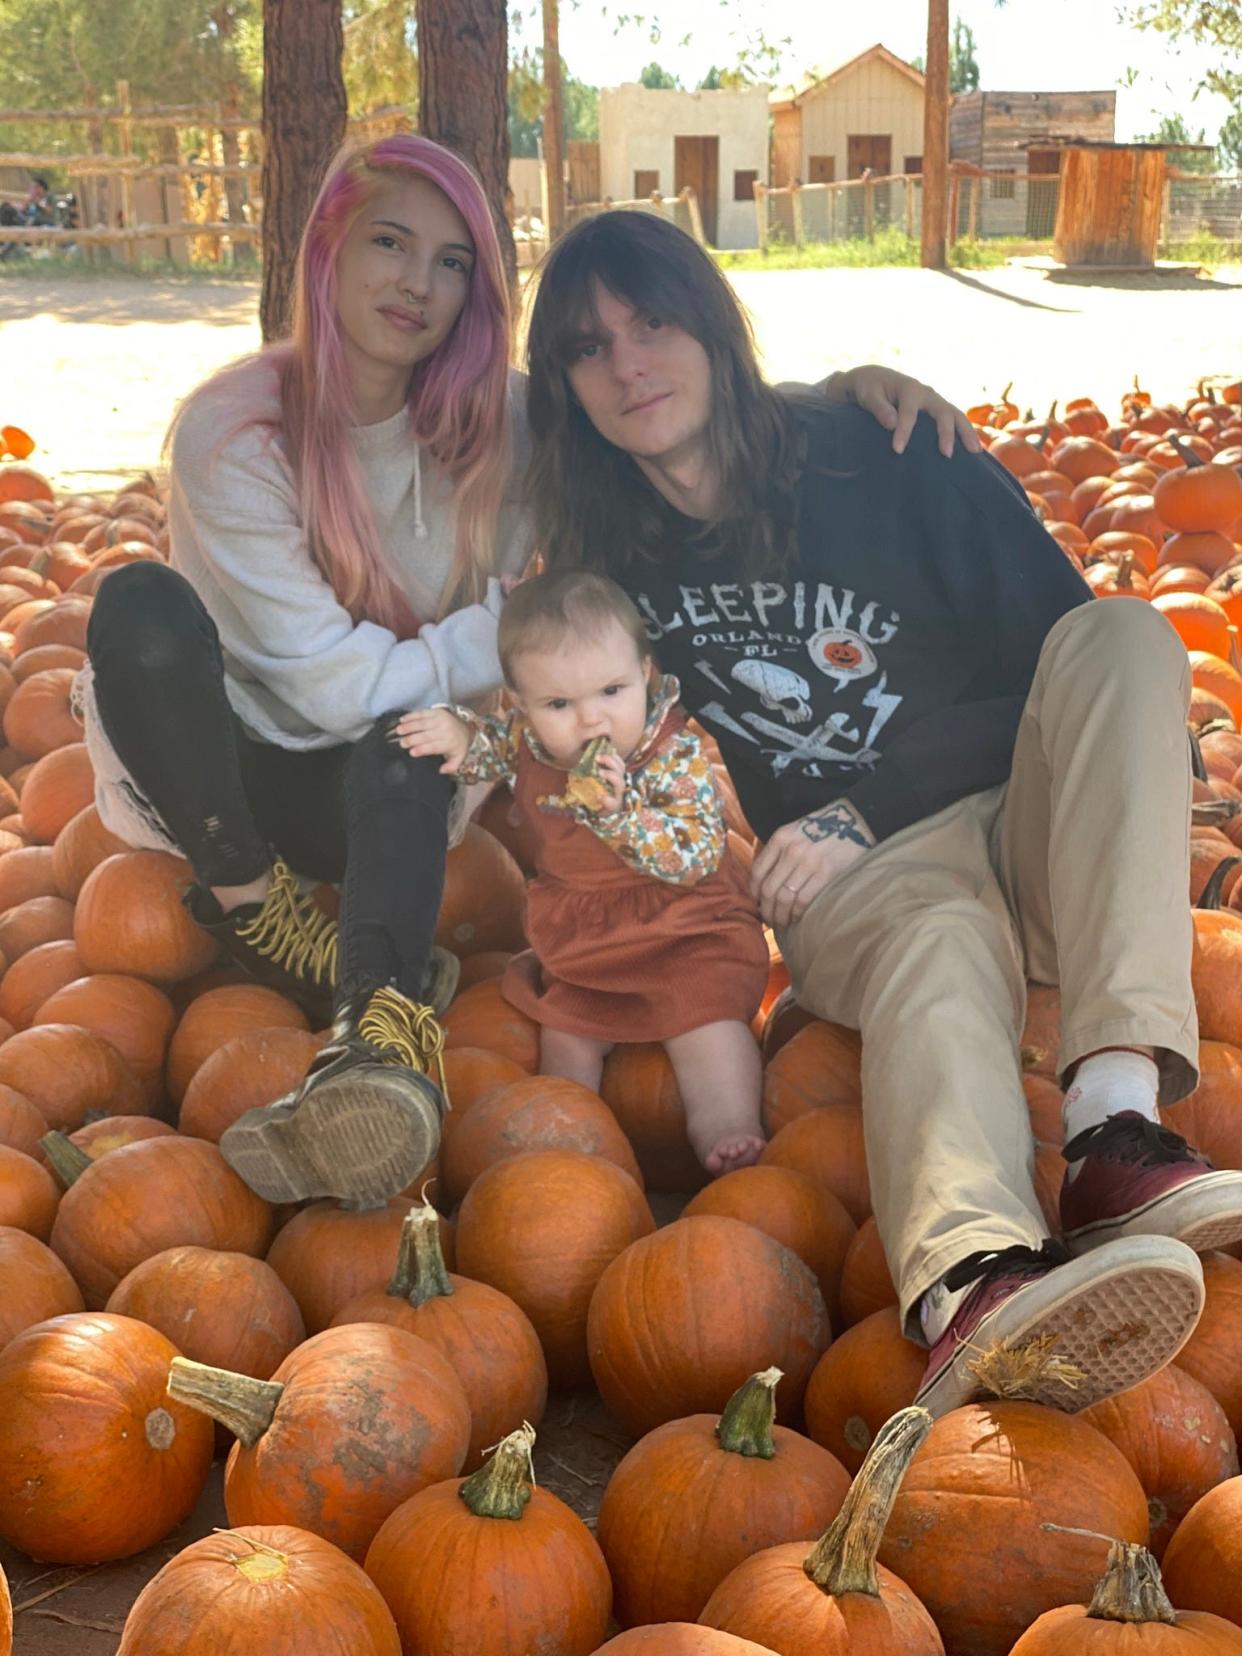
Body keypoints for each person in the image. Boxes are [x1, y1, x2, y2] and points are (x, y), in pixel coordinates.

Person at [77, 128, 979, 1213]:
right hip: (233, 771)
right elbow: (319, 688)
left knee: (413, 729)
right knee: (136, 607)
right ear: (327, 245)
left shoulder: (501, 421)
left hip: (380, 787)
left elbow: (657, 412)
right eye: (391, 243)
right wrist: (493, 636)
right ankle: (254, 908)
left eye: (453, 261)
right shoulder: (237, 428)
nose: (418, 283)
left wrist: (835, 392)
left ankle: (376, 1034)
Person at [522, 205, 1242, 1417]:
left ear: (713, 323)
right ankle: (974, 1281)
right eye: (590, 347)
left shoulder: (883, 449)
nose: (630, 363)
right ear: (565, 386)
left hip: (1018, 829)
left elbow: (1057, 661)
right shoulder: (605, 572)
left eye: (654, 321)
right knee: (938, 935)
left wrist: (868, 802)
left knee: (1124, 634)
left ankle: (1116, 1131)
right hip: (858, 890)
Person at [396, 569, 770, 1173]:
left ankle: (727, 1128)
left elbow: (696, 855)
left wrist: (623, 815)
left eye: (612, 691)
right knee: (567, 1034)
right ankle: (567, 1150)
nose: (591, 720)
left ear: (645, 674)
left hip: (687, 927)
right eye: (560, 704)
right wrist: (460, 734)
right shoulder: (531, 742)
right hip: (590, 941)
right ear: (523, 705)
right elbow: (492, 746)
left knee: (707, 1019)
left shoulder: (672, 757)